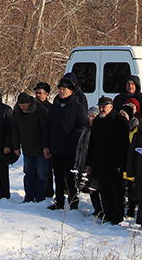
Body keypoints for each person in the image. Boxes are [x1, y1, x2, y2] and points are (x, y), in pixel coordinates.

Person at [44, 76, 89, 211]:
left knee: (70, 176)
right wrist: (46, 145)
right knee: (57, 176)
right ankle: (59, 201)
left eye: (65, 89)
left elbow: (82, 126)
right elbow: (48, 127)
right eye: (60, 89)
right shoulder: (55, 107)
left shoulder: (77, 107)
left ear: (71, 91)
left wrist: (72, 137)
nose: (62, 92)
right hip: (56, 148)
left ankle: (73, 201)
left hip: (71, 148)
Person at [87, 97, 129, 224]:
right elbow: (92, 143)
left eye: (104, 107)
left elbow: (124, 145)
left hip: (114, 162)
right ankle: (108, 213)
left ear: (111, 107)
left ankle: (117, 216)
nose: (101, 109)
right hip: (100, 162)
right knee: (104, 190)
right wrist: (89, 162)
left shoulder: (119, 121)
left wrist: (122, 164)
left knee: (116, 191)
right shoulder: (98, 121)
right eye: (100, 107)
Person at [11, 91, 49, 203]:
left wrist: (46, 146)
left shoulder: (40, 110)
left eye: (24, 106)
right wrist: (16, 146)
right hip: (27, 148)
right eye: (20, 106)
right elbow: (15, 131)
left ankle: (40, 198)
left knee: (41, 174)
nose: (22, 108)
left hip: (40, 148)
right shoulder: (17, 113)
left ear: (29, 103)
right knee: (28, 173)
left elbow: (46, 130)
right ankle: (29, 197)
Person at [34, 81, 55, 199]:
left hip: (47, 143)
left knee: (46, 170)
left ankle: (48, 192)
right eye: (36, 93)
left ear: (46, 94)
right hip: (34, 143)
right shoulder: (32, 107)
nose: (37, 95)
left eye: (40, 93)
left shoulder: (50, 108)